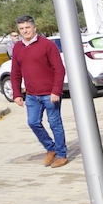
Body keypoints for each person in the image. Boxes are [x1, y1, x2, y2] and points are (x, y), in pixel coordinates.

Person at [10, 15, 68, 168]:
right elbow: (15, 72)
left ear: (34, 28)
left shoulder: (47, 45)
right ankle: (51, 148)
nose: (25, 31)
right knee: (33, 122)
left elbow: (59, 69)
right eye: (21, 28)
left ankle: (61, 155)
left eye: (27, 27)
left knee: (55, 124)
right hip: (31, 95)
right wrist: (17, 94)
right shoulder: (17, 48)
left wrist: (56, 91)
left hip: (50, 94)